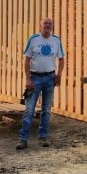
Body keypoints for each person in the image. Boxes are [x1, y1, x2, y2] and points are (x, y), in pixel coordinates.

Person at [16, 17, 65, 150]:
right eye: (45, 23)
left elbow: (61, 59)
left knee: (46, 110)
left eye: (50, 23)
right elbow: (26, 61)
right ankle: (23, 139)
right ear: (40, 26)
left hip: (50, 78)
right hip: (35, 78)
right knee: (29, 109)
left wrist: (59, 75)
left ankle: (42, 136)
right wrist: (27, 80)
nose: (48, 25)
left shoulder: (56, 40)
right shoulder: (33, 40)